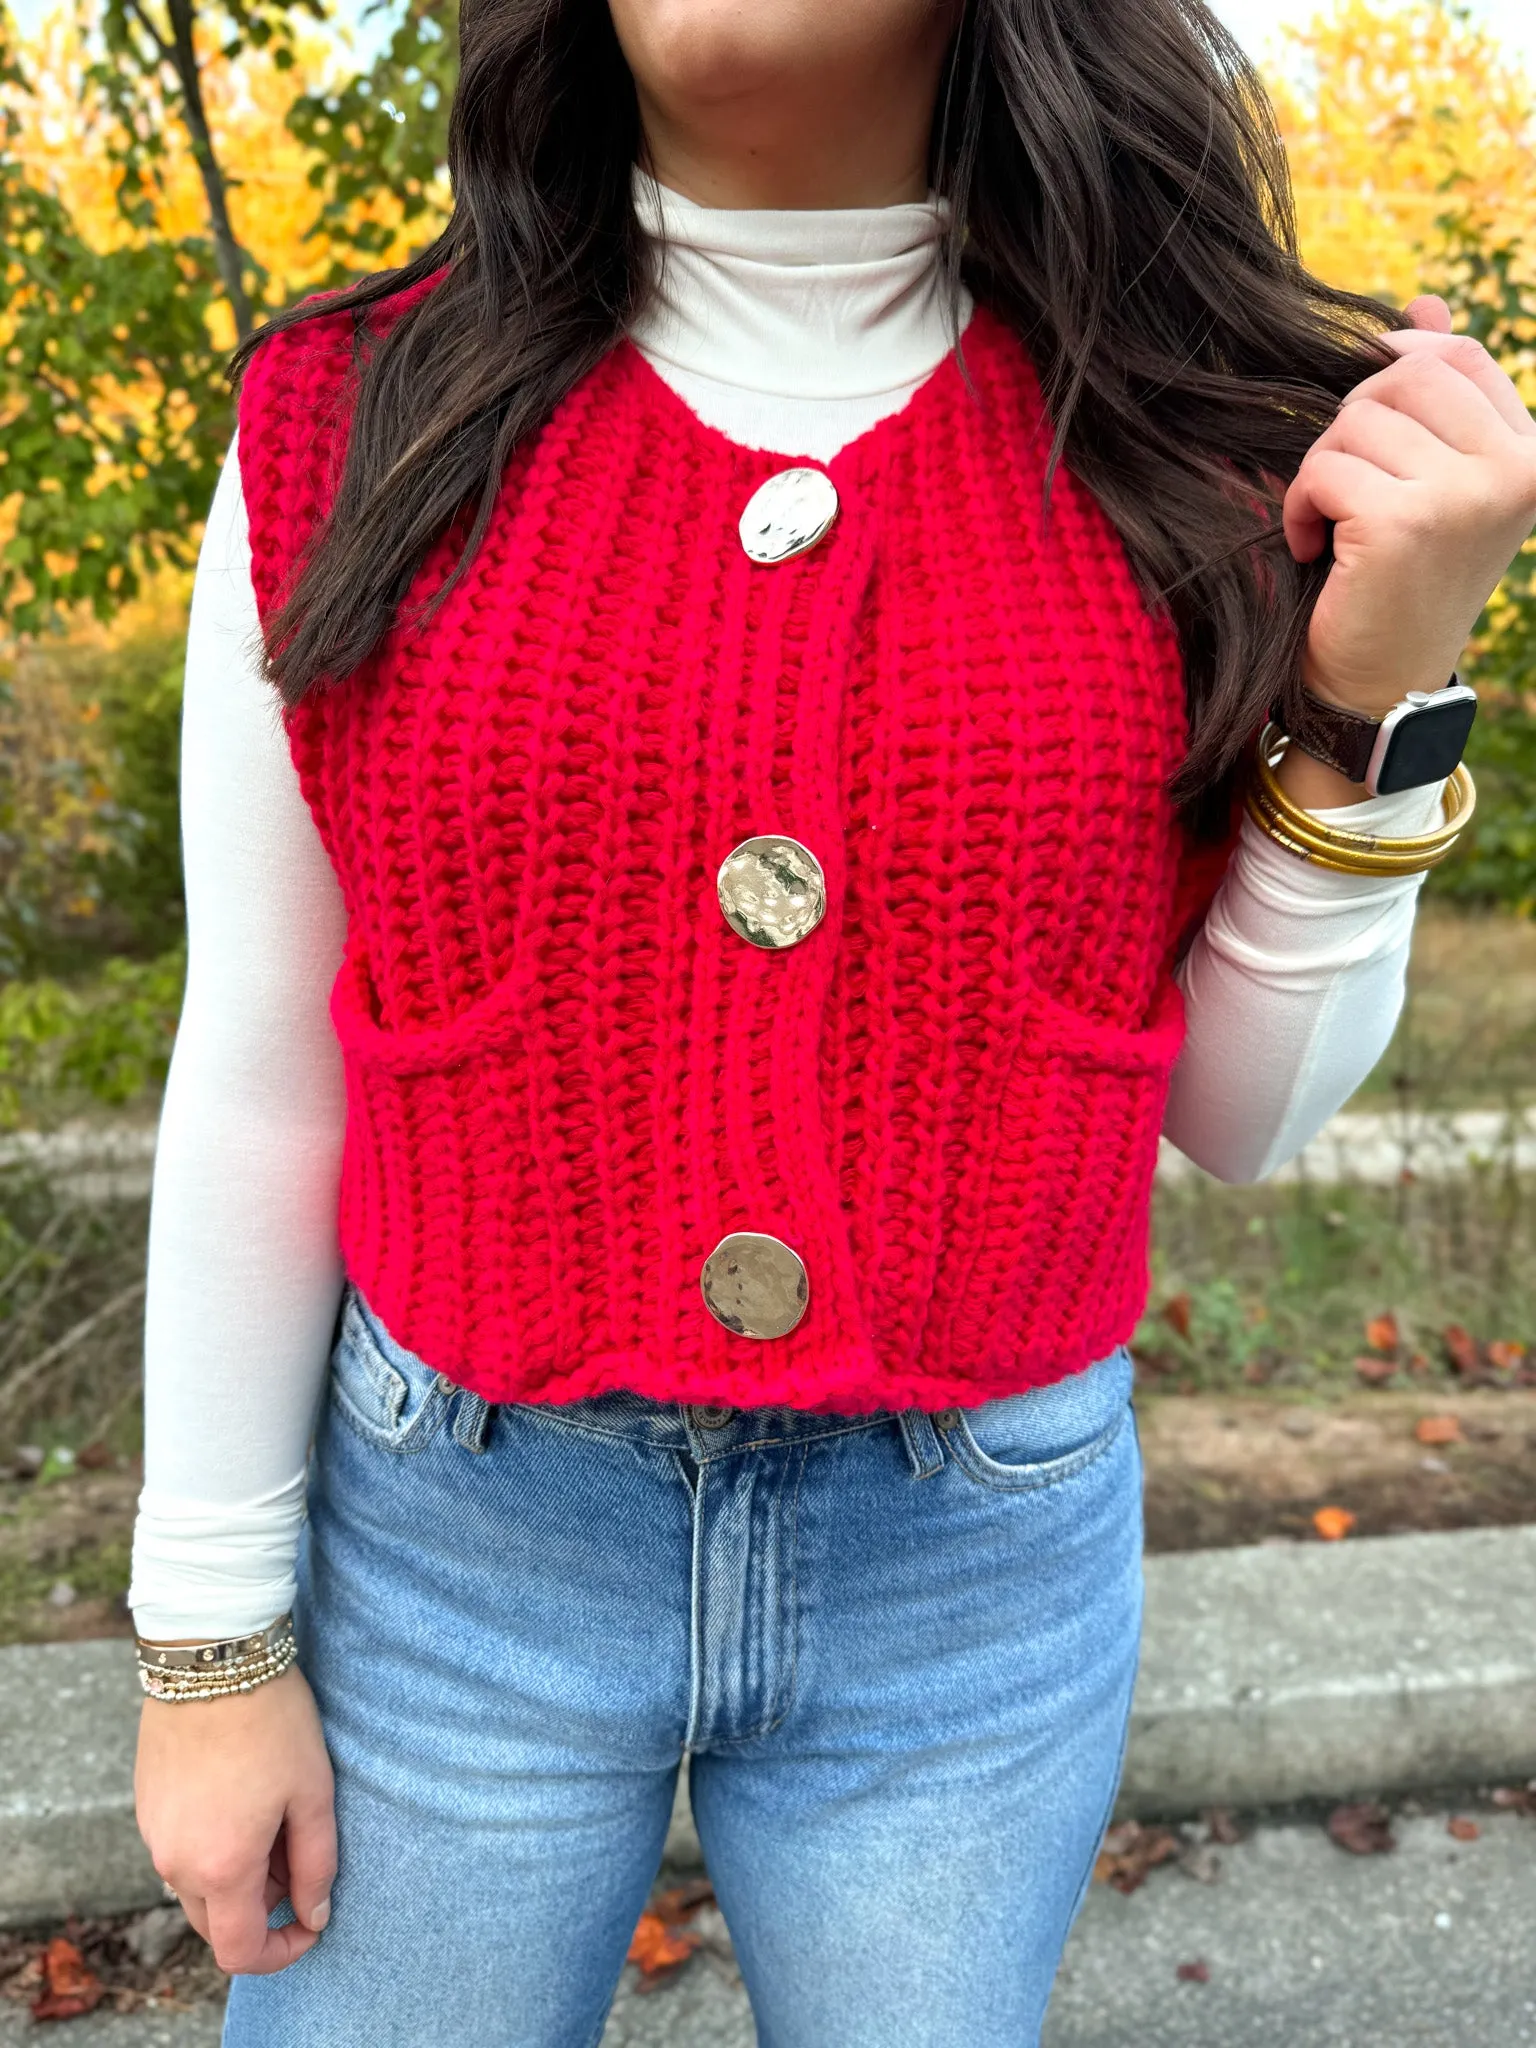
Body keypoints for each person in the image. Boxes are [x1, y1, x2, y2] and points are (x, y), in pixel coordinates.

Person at [128, 1, 1536, 2041]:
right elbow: (260, 1067)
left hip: (973, 1577)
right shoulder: (357, 418)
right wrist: (206, 1641)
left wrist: (1382, 687)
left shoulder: (1216, 441)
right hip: (454, 1550)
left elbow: (1239, 1116)